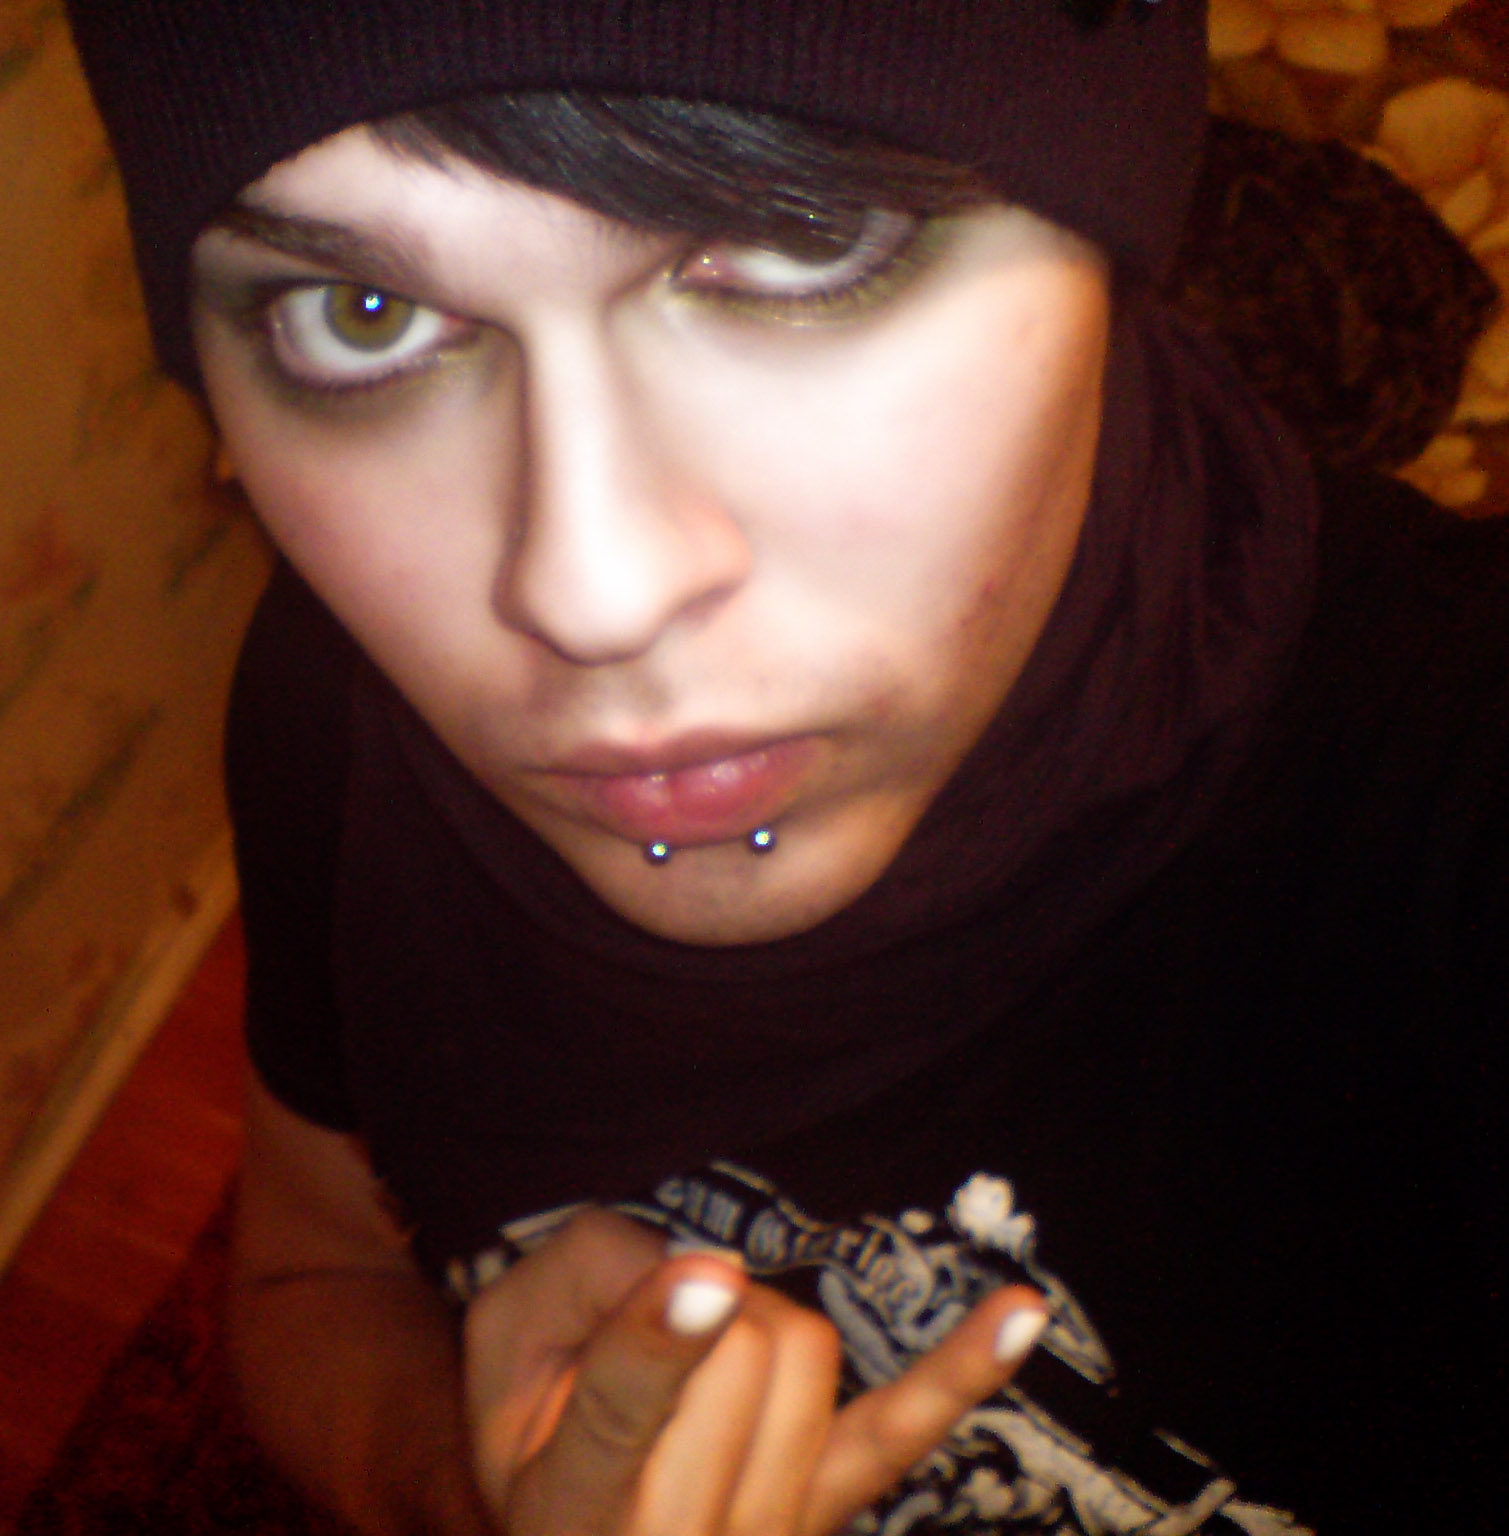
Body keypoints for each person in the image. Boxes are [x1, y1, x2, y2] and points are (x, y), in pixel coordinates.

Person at [62, 1, 1503, 1532]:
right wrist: (483, 1493)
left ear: (1106, 232)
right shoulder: (338, 700)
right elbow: (315, 1272)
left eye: (805, 242)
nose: (586, 594)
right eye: (360, 313)